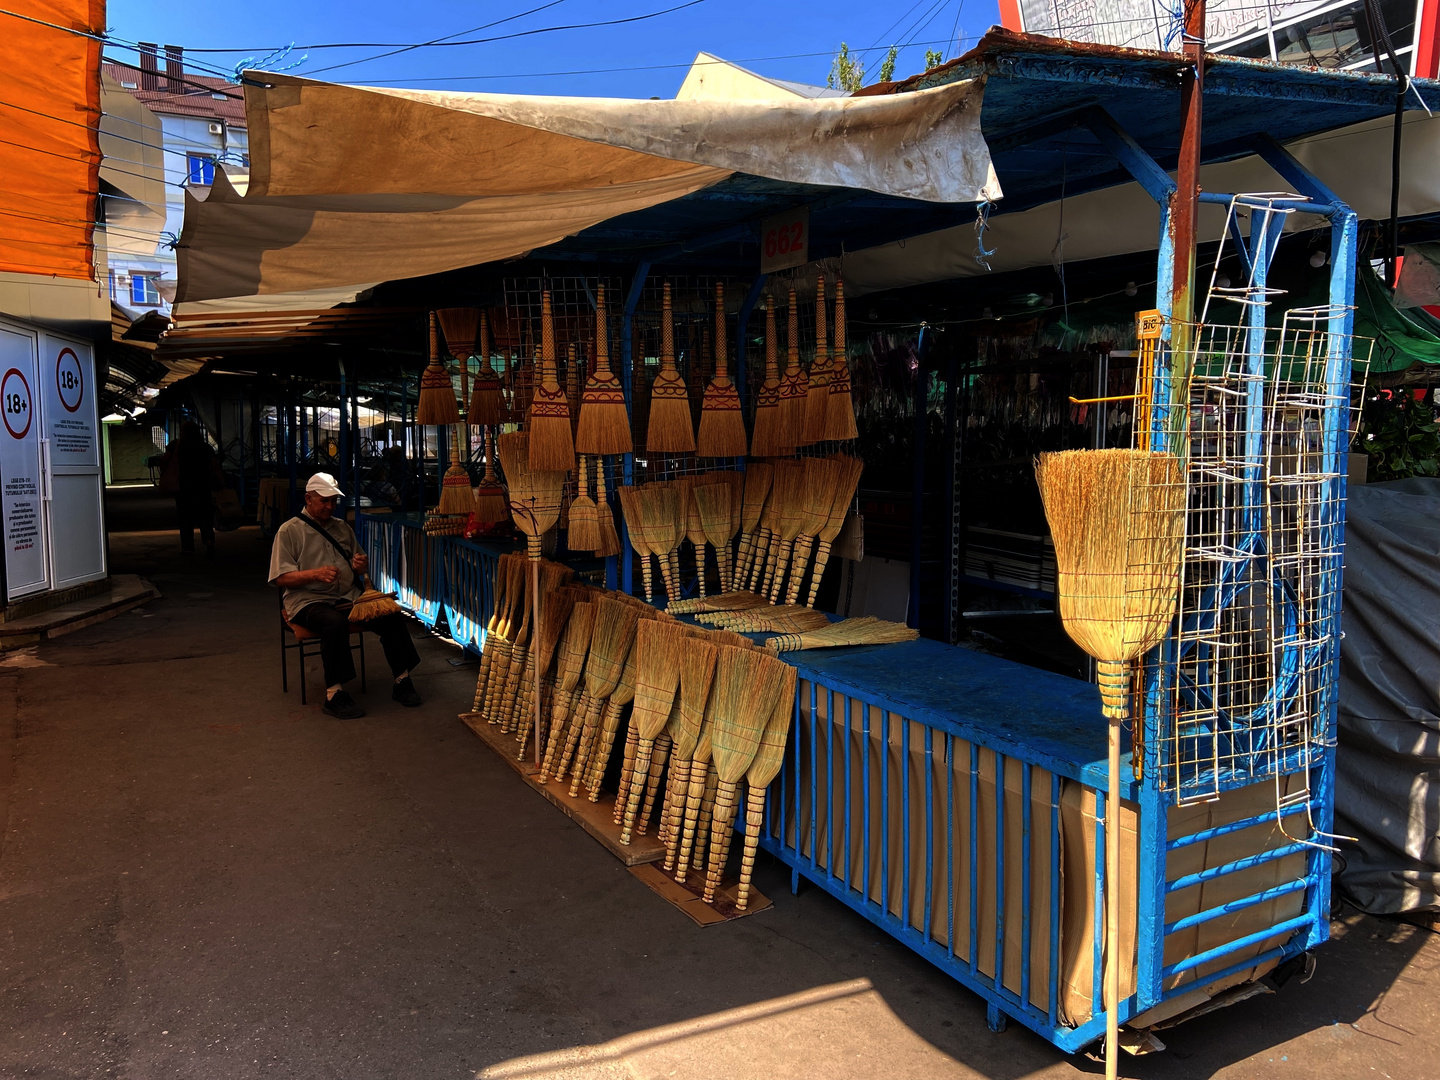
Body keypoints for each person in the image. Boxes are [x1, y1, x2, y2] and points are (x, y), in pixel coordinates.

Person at [268, 472, 423, 719]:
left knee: (391, 615)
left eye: (334, 501)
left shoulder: (341, 528)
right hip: (308, 600)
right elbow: (279, 578)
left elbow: (358, 563)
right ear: (308, 499)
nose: (330, 506)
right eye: (324, 501)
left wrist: (360, 566)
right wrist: (315, 574)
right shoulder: (289, 531)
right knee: (333, 623)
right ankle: (334, 693)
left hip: (347, 595)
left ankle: (402, 680)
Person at [159, 421, 222, 555]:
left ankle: (187, 547)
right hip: (203, 487)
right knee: (205, 516)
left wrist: (164, 475)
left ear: (183, 432)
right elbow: (215, 466)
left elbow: (164, 460)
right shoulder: (205, 447)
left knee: (185, 517)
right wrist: (222, 483)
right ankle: (209, 541)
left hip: (183, 488)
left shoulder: (176, 445)